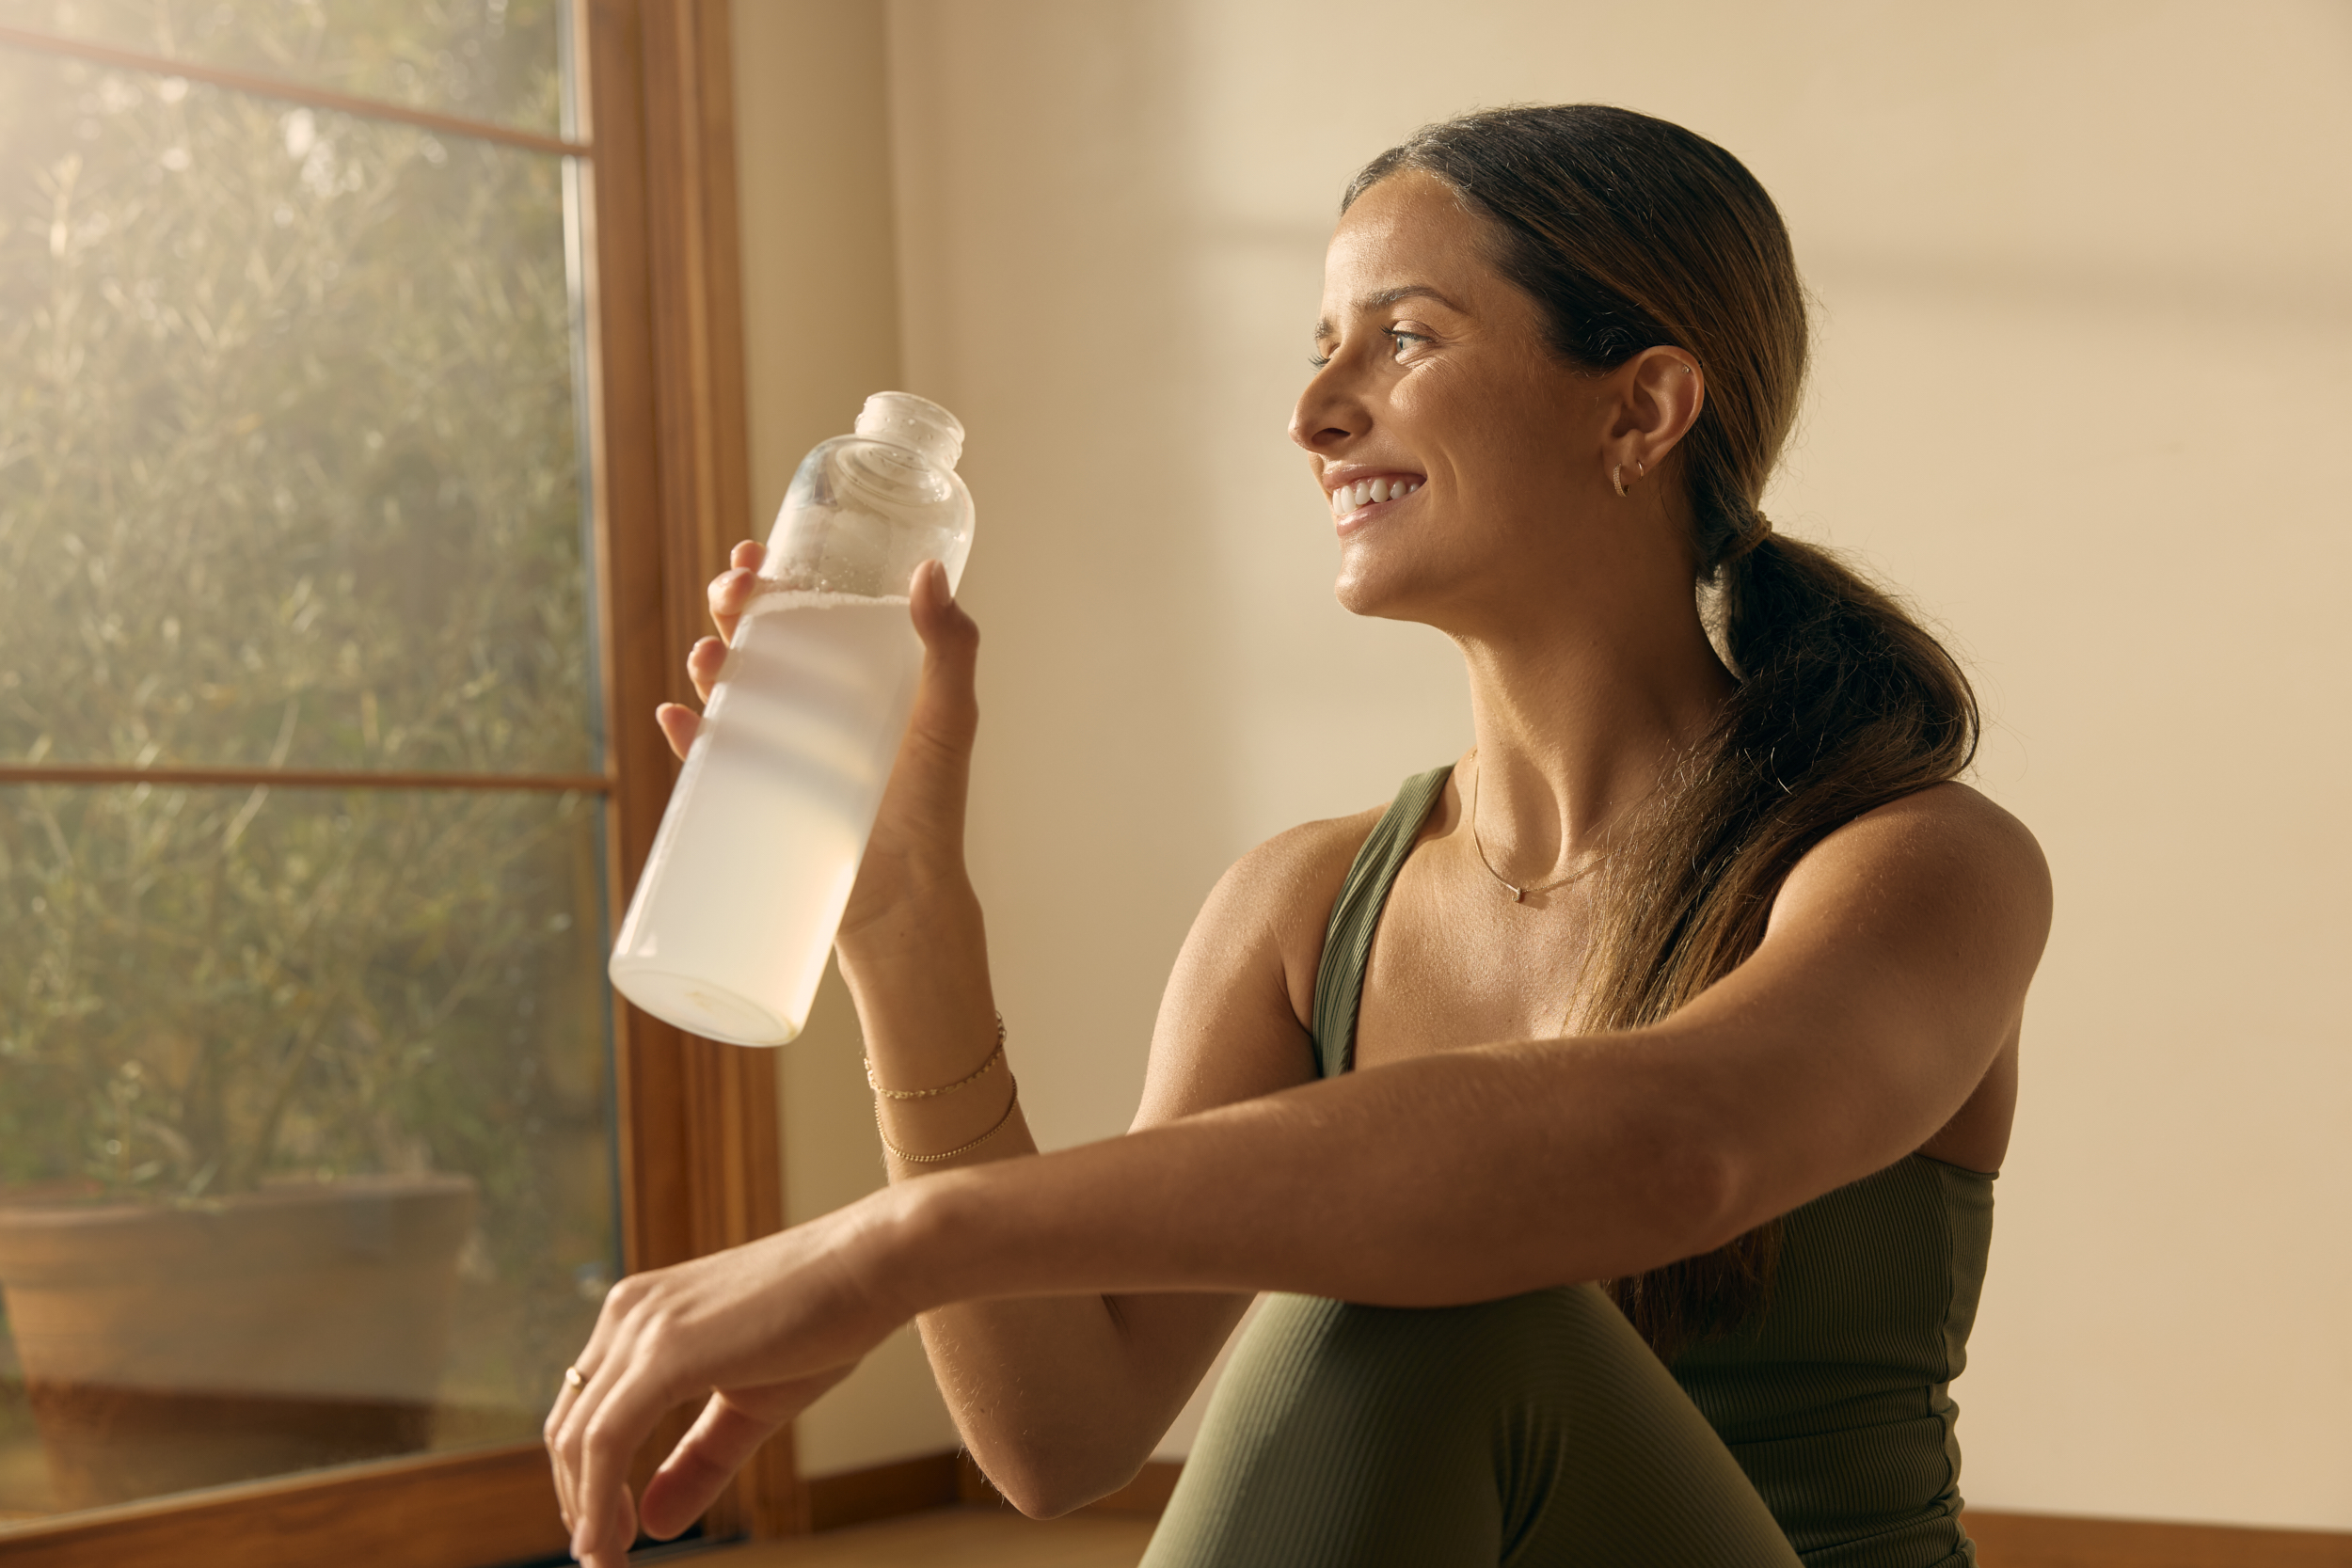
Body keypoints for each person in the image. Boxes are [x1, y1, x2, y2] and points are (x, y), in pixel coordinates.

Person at [545, 104, 2050, 1567]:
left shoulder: (1917, 861)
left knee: (1420, 1280)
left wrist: (894, 1247)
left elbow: (1676, 1145)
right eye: (1320, 349)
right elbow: (1060, 1431)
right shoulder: (1304, 908)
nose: (1317, 413)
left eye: (1400, 338)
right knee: (1401, 1259)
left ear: (1641, 406)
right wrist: (901, 915)